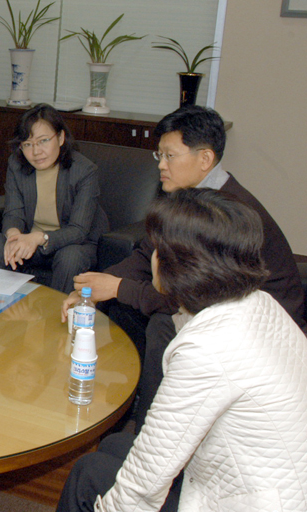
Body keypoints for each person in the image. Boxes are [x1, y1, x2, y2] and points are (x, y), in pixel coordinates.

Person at [56, 188, 307, 512]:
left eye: (159, 249)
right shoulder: (258, 302)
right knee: (116, 444)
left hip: (254, 500)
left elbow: (144, 484)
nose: (153, 257)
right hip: (277, 476)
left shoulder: (206, 349)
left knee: (88, 473)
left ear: (186, 266)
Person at [60, 105, 305, 428]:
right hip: (218, 308)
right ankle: (133, 403)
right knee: (123, 307)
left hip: (264, 331)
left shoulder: (223, 215)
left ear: (204, 159)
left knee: (160, 323)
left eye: (170, 156)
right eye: (158, 155)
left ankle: (151, 425)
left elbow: (187, 298)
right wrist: (94, 287)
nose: (161, 166)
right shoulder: (187, 198)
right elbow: (145, 255)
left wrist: (118, 288)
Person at [0, 104, 107, 293]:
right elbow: (13, 212)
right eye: (27, 144)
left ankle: (56, 319)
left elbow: (78, 230)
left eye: (43, 141)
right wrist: (14, 236)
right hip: (30, 241)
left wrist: (38, 238)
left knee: (69, 258)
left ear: (61, 137)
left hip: (72, 245)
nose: (36, 152)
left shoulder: (84, 171)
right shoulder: (16, 165)